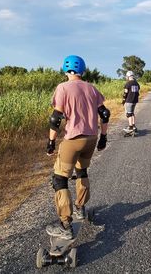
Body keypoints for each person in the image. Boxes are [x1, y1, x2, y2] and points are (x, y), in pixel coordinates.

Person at [45, 55, 110, 240]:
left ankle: (65, 225)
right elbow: (104, 114)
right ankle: (80, 209)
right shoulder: (91, 88)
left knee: (60, 180)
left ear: (66, 70)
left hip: (73, 139)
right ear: (82, 70)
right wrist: (103, 137)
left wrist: (51, 142)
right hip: (91, 138)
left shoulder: (63, 88)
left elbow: (56, 118)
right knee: (82, 172)